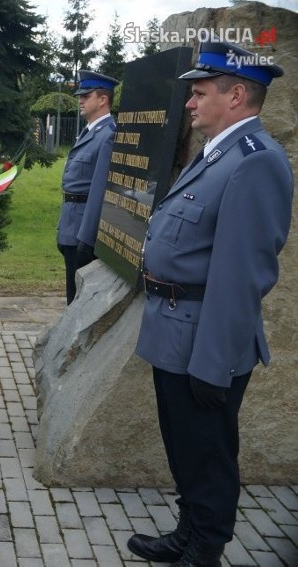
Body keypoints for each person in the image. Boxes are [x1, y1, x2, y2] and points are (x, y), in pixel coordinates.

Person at [127, 42, 292, 567]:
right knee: (185, 448)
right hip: (176, 330)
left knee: (209, 454)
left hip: (204, 341)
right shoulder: (218, 152)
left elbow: (240, 276)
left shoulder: (254, 163)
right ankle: (188, 530)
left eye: (199, 93)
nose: (191, 104)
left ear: (237, 94)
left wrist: (214, 363)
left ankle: (206, 548)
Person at [56, 70, 118, 305]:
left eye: (87, 95)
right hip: (71, 225)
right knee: (72, 297)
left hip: (83, 230)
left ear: (103, 99)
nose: (80, 100)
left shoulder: (108, 135)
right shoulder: (90, 132)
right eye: (80, 95)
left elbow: (99, 190)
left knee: (80, 301)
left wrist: (86, 237)